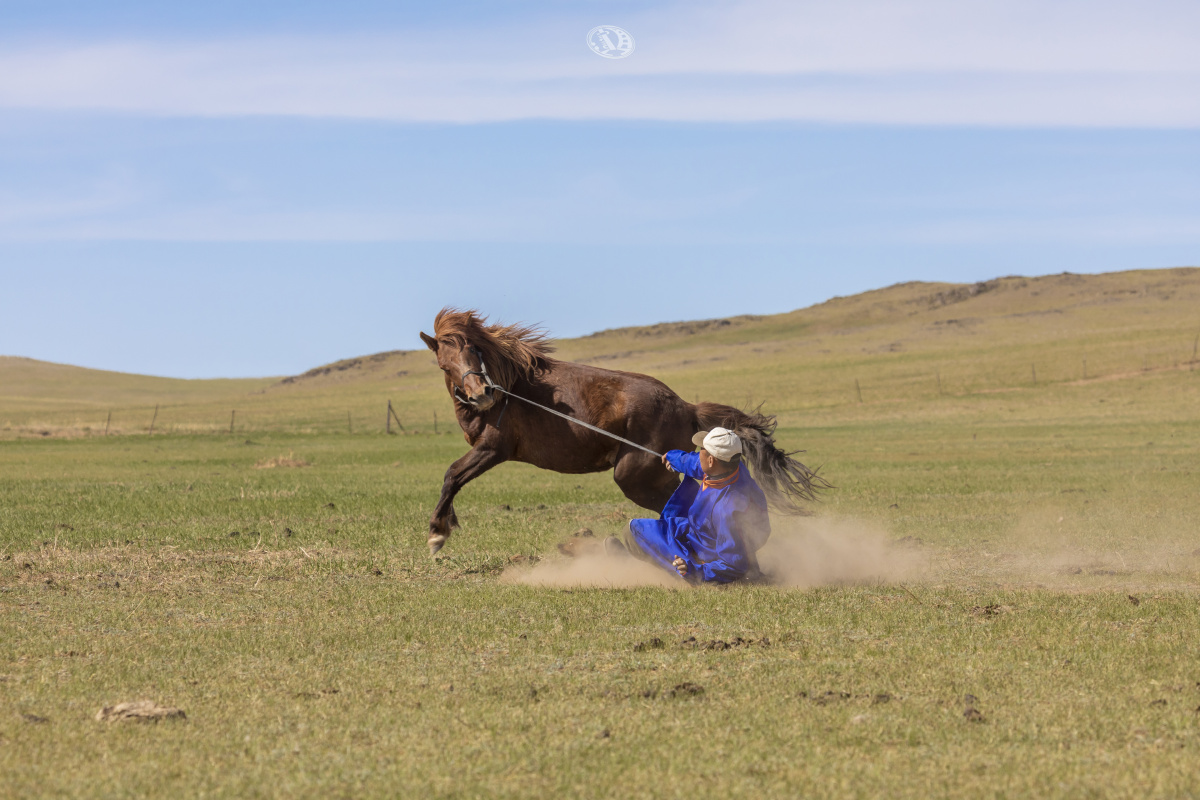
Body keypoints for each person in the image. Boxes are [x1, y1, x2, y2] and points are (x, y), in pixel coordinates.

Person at [609, 427, 770, 584]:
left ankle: (636, 566)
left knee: (634, 534)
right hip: (703, 532)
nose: (698, 452)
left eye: (701, 449)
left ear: (711, 460)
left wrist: (695, 571)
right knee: (633, 528)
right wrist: (673, 458)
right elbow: (694, 463)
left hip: (709, 548)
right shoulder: (730, 466)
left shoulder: (727, 510)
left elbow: (733, 564)